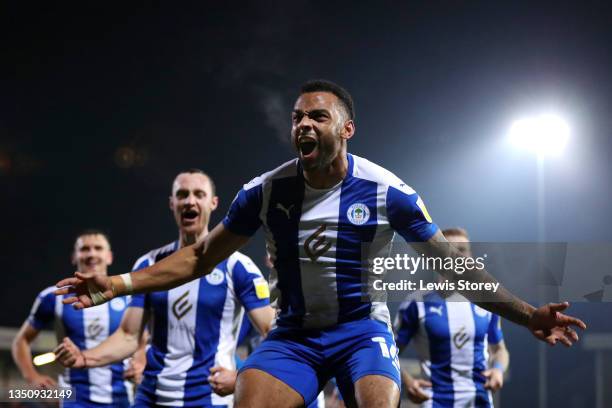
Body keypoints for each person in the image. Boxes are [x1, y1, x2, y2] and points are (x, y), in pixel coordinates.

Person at [56, 80, 586, 408]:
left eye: (317, 116)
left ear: (347, 128)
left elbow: (457, 270)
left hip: (361, 332)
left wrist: (528, 316)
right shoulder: (265, 192)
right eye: (297, 117)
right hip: (294, 336)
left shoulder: (387, 191)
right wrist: (115, 285)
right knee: (251, 400)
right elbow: (197, 257)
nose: (303, 124)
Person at [54, 170, 274, 407]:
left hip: (209, 399)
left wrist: (244, 377)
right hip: (151, 397)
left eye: (199, 194)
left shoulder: (238, 267)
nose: (190, 201)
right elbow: (129, 336)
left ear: (213, 203)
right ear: (172, 203)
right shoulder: (148, 265)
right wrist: (85, 357)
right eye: (182, 194)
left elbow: (271, 331)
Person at [12, 230, 137, 407]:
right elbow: (21, 341)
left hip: (122, 397)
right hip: (74, 398)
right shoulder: (53, 297)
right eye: (85, 249)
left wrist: (141, 361)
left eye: (98, 248)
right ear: (74, 256)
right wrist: (32, 378)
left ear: (109, 257)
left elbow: (141, 339)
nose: (92, 253)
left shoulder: (127, 299)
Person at [395, 227, 509, 407]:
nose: (457, 257)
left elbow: (499, 350)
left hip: (480, 400)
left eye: (462, 250)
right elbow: (388, 353)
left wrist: (497, 370)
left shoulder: (486, 303)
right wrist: (407, 381)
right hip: (435, 401)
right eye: (449, 250)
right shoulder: (416, 303)